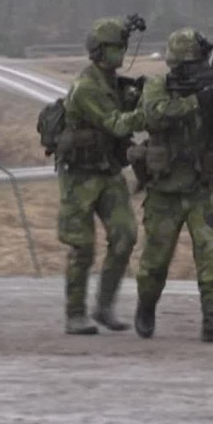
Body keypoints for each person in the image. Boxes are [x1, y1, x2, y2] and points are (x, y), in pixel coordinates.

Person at [131, 28, 213, 342]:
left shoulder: (210, 88)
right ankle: (146, 308)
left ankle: (212, 320)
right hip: (165, 190)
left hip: (202, 187)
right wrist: (196, 98)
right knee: (155, 261)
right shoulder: (158, 86)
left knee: (211, 253)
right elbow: (155, 115)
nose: (202, 66)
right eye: (195, 62)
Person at [53, 17, 145, 335]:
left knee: (125, 236)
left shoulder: (112, 84)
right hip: (79, 177)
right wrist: (147, 111)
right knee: (82, 247)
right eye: (115, 48)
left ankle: (104, 306)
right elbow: (117, 124)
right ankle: (75, 313)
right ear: (99, 52)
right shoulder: (86, 88)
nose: (121, 53)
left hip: (107, 172)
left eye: (122, 47)